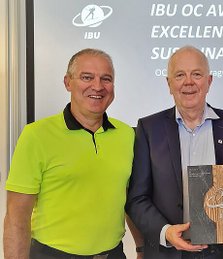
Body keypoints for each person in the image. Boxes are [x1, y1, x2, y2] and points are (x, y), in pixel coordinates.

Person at [126, 46, 223, 259]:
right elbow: (137, 198)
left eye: (196, 74)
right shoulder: (149, 129)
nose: (188, 82)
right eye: (180, 75)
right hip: (169, 252)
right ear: (169, 84)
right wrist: (165, 232)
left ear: (209, 81)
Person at [3, 48, 135, 258]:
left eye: (106, 79)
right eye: (87, 77)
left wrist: (142, 248)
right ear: (68, 82)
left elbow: (131, 201)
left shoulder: (127, 135)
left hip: (113, 254)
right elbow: (17, 217)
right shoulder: (36, 136)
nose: (98, 86)